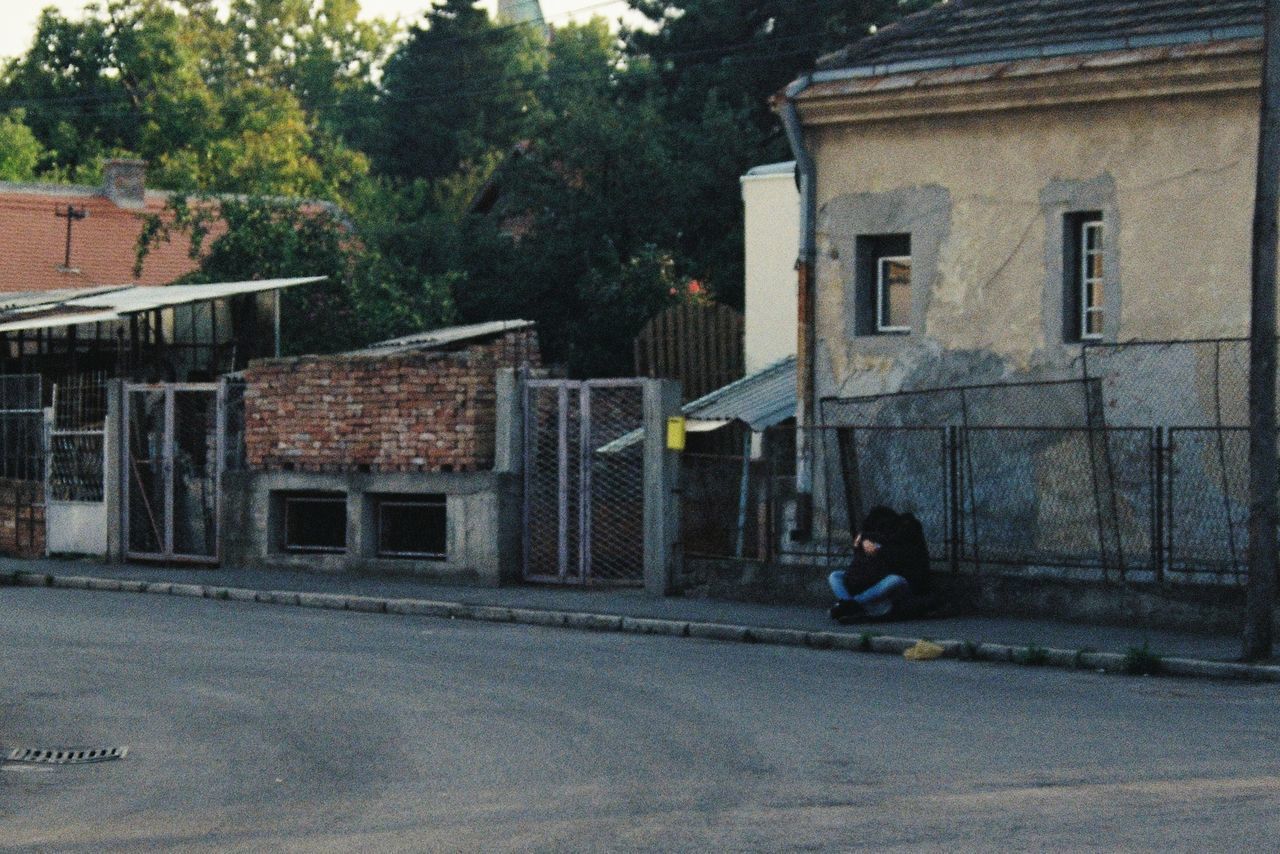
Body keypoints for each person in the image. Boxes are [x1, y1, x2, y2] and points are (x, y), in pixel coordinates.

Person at [828, 505, 931, 622]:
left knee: (895, 580)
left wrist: (870, 543)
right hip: (877, 583)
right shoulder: (877, 538)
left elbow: (897, 559)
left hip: (906, 585)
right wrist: (863, 538)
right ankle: (853, 606)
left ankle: (851, 605)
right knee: (835, 576)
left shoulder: (907, 534)